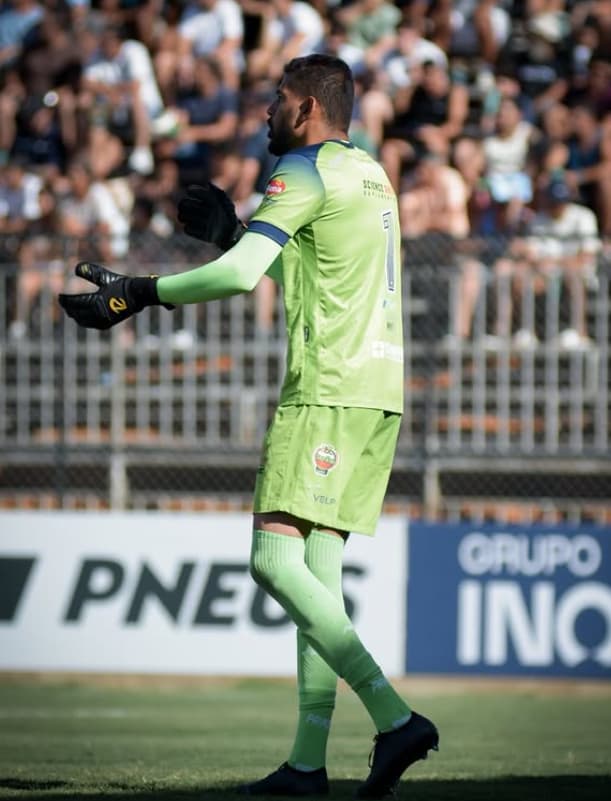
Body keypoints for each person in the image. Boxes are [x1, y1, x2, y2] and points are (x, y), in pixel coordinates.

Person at [58, 53, 439, 798]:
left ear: (305, 110)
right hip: (379, 390)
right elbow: (302, 270)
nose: (265, 110)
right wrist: (235, 232)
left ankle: (394, 717)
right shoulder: (369, 174)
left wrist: (137, 292)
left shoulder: (302, 169)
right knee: (315, 579)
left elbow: (239, 281)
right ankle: (305, 763)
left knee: (270, 561)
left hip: (326, 386)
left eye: (276, 99)